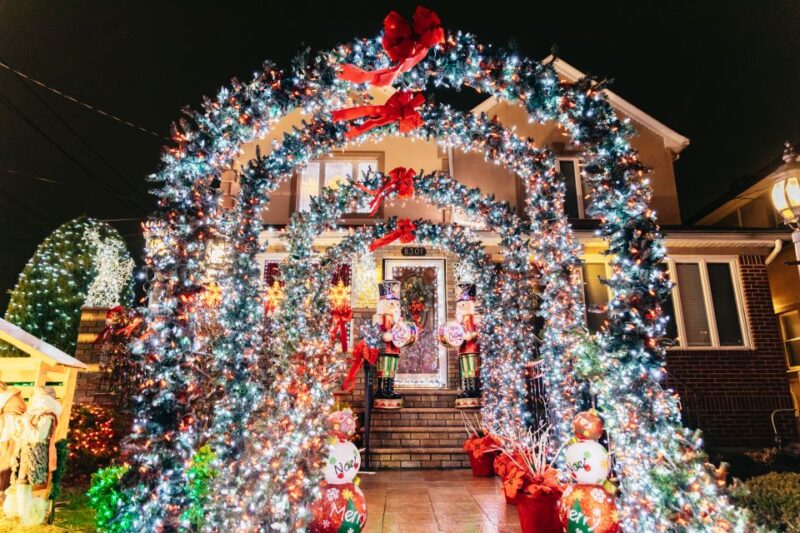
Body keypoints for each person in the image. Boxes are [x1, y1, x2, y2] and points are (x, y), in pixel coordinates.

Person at [3, 386, 61, 525]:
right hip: (23, 454)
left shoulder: (47, 416)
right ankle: (22, 514)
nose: (34, 400)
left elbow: (37, 436)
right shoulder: (31, 414)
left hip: (34, 457)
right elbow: (19, 435)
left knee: (24, 484)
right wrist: (19, 426)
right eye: (34, 397)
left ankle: (26, 517)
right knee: (20, 483)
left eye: (37, 397)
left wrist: (26, 424)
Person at [0, 382, 26, 493]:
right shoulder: (11, 397)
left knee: (7, 461)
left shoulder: (8, 400)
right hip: (10, 435)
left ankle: (2, 490)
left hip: (10, 436)